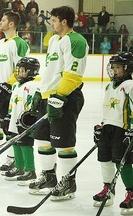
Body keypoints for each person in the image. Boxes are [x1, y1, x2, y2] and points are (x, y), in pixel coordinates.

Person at [28, 6, 89, 201]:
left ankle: (68, 183)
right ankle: (49, 177)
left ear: (64, 21)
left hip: (65, 98)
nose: (51, 24)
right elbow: (51, 70)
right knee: (44, 139)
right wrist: (41, 92)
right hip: (49, 96)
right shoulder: (54, 40)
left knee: (63, 143)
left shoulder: (76, 40)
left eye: (54, 20)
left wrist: (59, 97)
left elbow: (73, 75)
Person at [0, 11, 30, 172]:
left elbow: (22, 69)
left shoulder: (19, 43)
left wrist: (8, 86)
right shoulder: (0, 42)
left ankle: (11, 159)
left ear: (11, 24)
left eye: (3, 20)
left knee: (8, 127)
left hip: (10, 93)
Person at [92, 52, 133, 215]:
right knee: (105, 159)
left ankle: (131, 192)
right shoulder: (110, 86)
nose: (114, 71)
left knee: (121, 162)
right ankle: (108, 190)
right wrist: (101, 125)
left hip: (123, 129)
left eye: (118, 67)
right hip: (108, 128)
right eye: (113, 67)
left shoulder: (130, 85)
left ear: (127, 68)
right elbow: (108, 108)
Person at [3, 57, 40, 185]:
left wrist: (32, 118)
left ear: (32, 72)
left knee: (25, 144)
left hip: (25, 122)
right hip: (14, 120)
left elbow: (35, 104)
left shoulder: (34, 85)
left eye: (23, 71)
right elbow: (12, 103)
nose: (19, 73)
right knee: (15, 142)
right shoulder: (16, 85)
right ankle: (19, 167)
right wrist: (8, 117)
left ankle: (30, 170)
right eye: (18, 70)